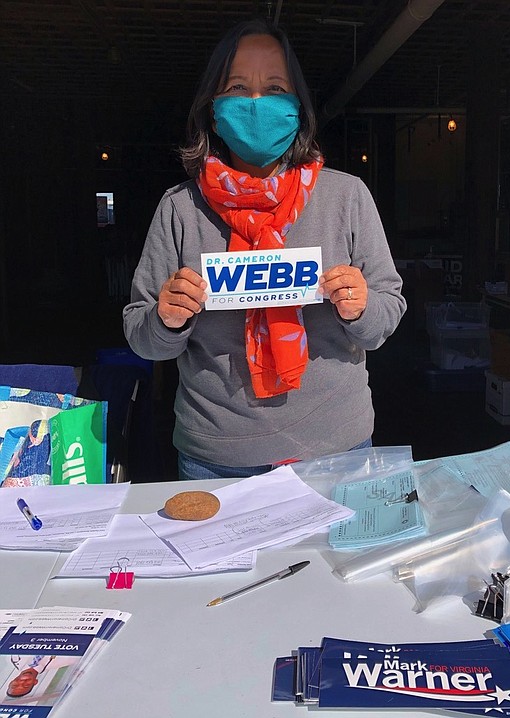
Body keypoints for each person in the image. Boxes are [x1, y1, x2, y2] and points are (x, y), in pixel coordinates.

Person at [123, 18, 406, 480]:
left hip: (337, 449)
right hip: (217, 458)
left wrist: (361, 307)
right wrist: (166, 318)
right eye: (238, 86)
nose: (256, 103)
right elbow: (141, 334)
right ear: (213, 109)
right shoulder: (179, 208)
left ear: (297, 106)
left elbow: (386, 316)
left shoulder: (346, 196)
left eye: (275, 87)